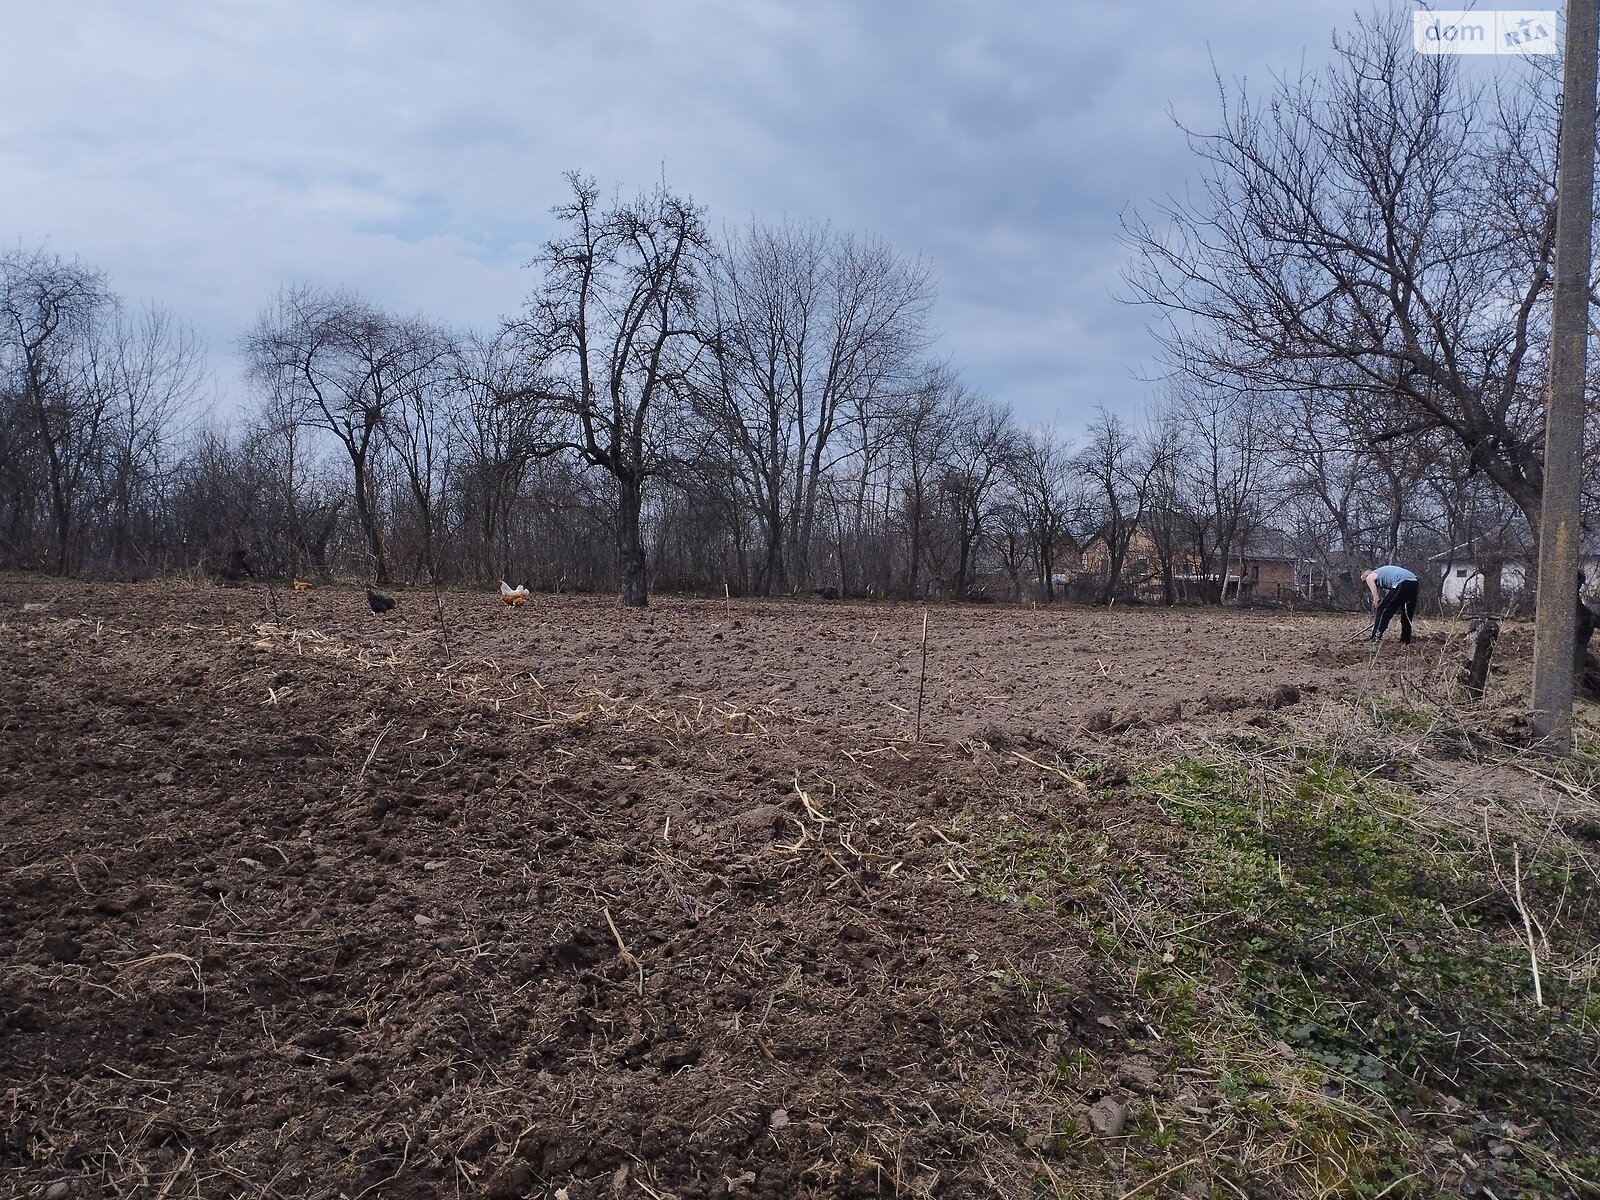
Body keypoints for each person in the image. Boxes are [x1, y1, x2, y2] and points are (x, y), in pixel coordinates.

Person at [1362, 564, 1419, 645]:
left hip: (1402, 582)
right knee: (1407, 613)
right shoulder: (1382, 574)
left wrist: (1376, 600)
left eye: (1364, 582)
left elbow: (1377, 598)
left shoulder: (1370, 576)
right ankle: (1405, 640)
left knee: (1383, 609)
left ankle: (1375, 638)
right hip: (1414, 582)